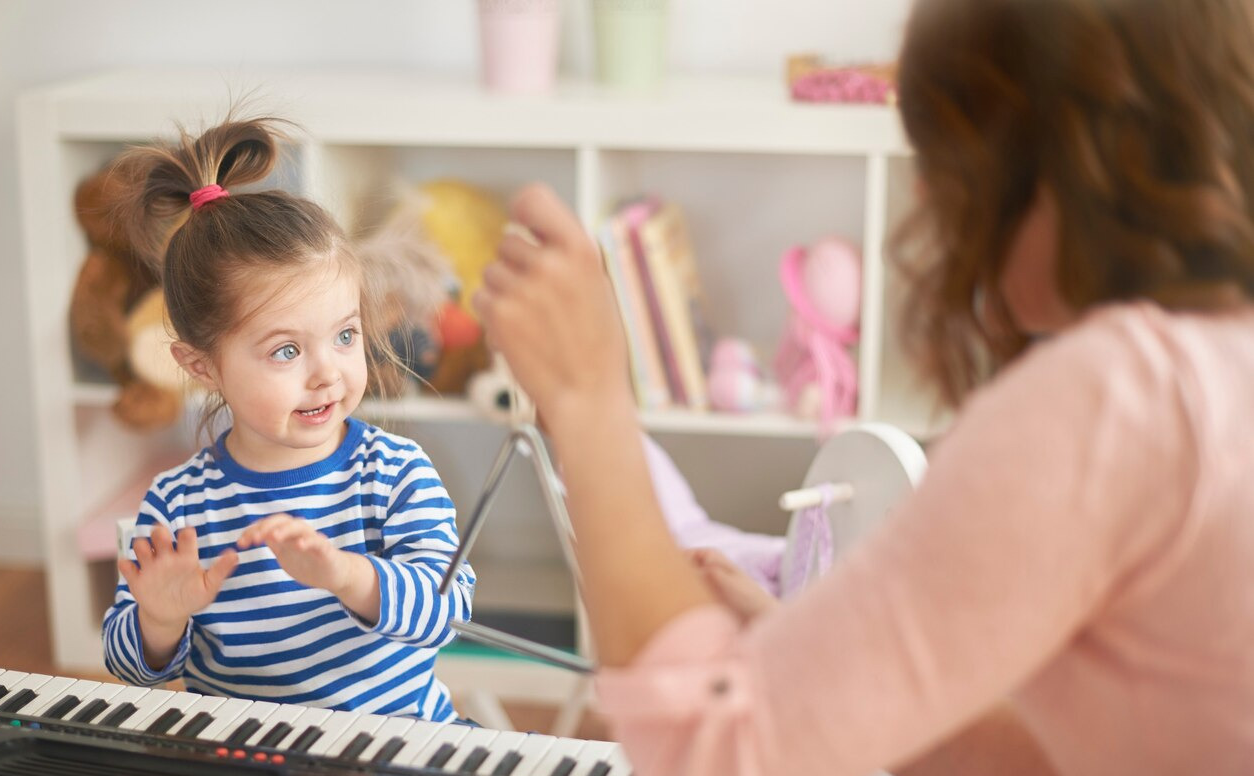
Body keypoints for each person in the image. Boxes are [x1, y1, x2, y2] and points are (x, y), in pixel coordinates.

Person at [472, 0, 1254, 772]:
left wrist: (587, 402)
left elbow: (712, 751)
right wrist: (814, 662)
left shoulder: (1116, 396)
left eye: (947, 154)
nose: (926, 200)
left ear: (1062, 150)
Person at [102, 117, 475, 722]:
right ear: (201, 366)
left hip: (395, 748)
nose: (327, 373)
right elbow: (127, 664)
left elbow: (447, 613)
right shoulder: (176, 504)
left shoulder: (395, 471)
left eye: (345, 335)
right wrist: (159, 620)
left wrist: (348, 575)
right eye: (286, 351)